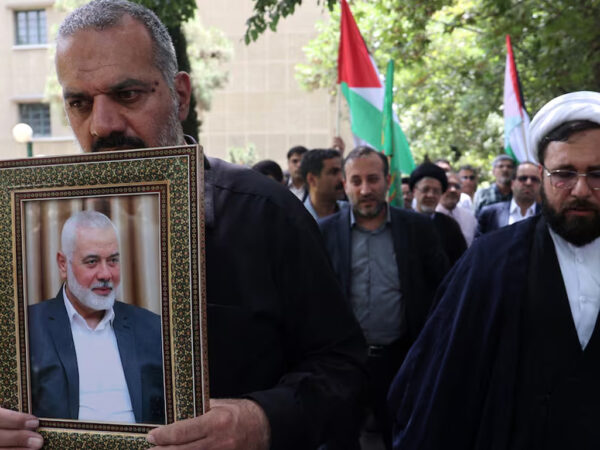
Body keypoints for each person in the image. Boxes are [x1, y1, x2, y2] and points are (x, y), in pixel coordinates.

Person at [1, 2, 368, 449]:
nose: (102, 124)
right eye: (79, 103)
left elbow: (345, 369)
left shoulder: (265, 214)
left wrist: (260, 420)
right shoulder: (23, 226)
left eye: (127, 95)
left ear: (180, 95)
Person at [388, 91, 600, 449]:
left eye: (597, 174)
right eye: (564, 174)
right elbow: (439, 386)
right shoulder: (490, 262)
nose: (581, 189)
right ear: (542, 175)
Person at [318, 146, 449, 450]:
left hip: (402, 361)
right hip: (344, 364)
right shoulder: (324, 234)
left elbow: (442, 293)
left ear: (388, 181)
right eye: (356, 181)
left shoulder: (418, 230)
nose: (365, 189)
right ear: (345, 185)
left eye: (373, 179)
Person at [29, 210, 164, 424]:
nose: (105, 274)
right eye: (92, 261)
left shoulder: (153, 328)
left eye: (113, 260)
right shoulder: (26, 327)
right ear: (63, 264)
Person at [410, 162, 467, 266]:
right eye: (425, 189)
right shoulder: (401, 223)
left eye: (436, 191)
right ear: (414, 191)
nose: (430, 195)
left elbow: (462, 263)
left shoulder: (450, 226)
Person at [476, 161, 542, 237]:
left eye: (534, 179)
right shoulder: (489, 214)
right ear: (512, 183)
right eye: (523, 178)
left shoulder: (547, 215)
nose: (529, 183)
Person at [300, 149, 347, 220]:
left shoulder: (352, 213)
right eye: (334, 172)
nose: (342, 178)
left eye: (342, 172)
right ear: (312, 180)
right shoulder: (296, 219)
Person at [436, 172, 477, 246]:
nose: (453, 190)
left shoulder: (469, 218)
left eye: (457, 186)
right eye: (448, 186)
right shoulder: (430, 216)